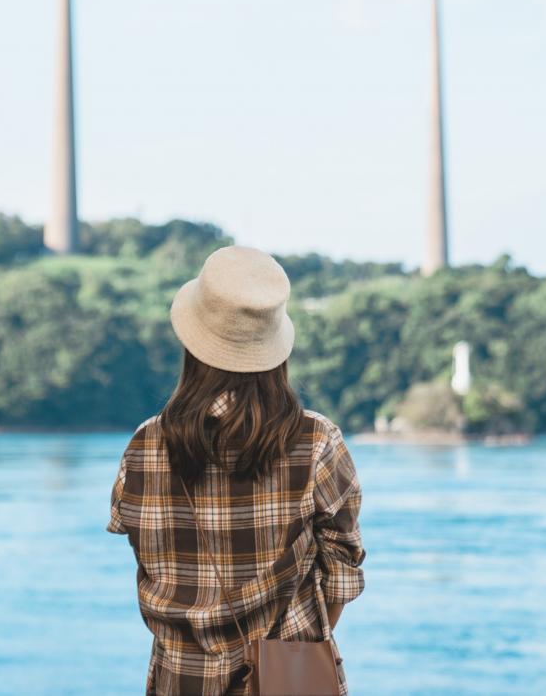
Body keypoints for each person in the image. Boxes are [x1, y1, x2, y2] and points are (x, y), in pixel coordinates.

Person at [108, 245, 366, 695]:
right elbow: (342, 576)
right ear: (275, 348)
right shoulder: (316, 441)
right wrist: (292, 648)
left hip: (181, 681)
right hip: (292, 681)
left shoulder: (146, 445)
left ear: (193, 342)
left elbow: (146, 560)